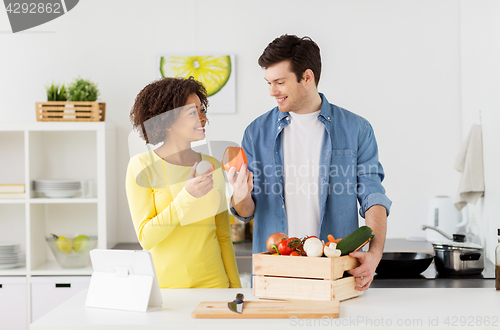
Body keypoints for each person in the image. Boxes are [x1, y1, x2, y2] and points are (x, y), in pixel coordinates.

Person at [228, 35, 391, 291]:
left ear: (307, 77)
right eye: (269, 83)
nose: (272, 91)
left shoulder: (356, 129)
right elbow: (246, 212)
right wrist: (240, 194)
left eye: (280, 82)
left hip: (335, 274)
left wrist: (375, 253)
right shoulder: (256, 133)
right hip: (276, 274)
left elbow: (373, 196)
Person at [126, 77, 241, 289]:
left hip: (215, 286)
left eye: (201, 110)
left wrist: (235, 289)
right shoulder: (141, 166)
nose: (202, 118)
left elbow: (223, 236)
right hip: (166, 291)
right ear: (167, 121)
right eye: (192, 112)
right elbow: (146, 238)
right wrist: (187, 197)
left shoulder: (212, 165)